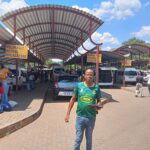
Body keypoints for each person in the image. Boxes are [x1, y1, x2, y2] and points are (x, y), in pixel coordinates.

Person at [65, 69, 102, 150]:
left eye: (91, 74)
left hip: (91, 117)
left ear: (93, 76)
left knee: (89, 140)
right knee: (78, 139)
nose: (89, 76)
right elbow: (73, 99)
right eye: (87, 74)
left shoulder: (96, 87)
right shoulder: (79, 86)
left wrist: (98, 105)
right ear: (84, 76)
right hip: (80, 117)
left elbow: (99, 100)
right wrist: (68, 113)